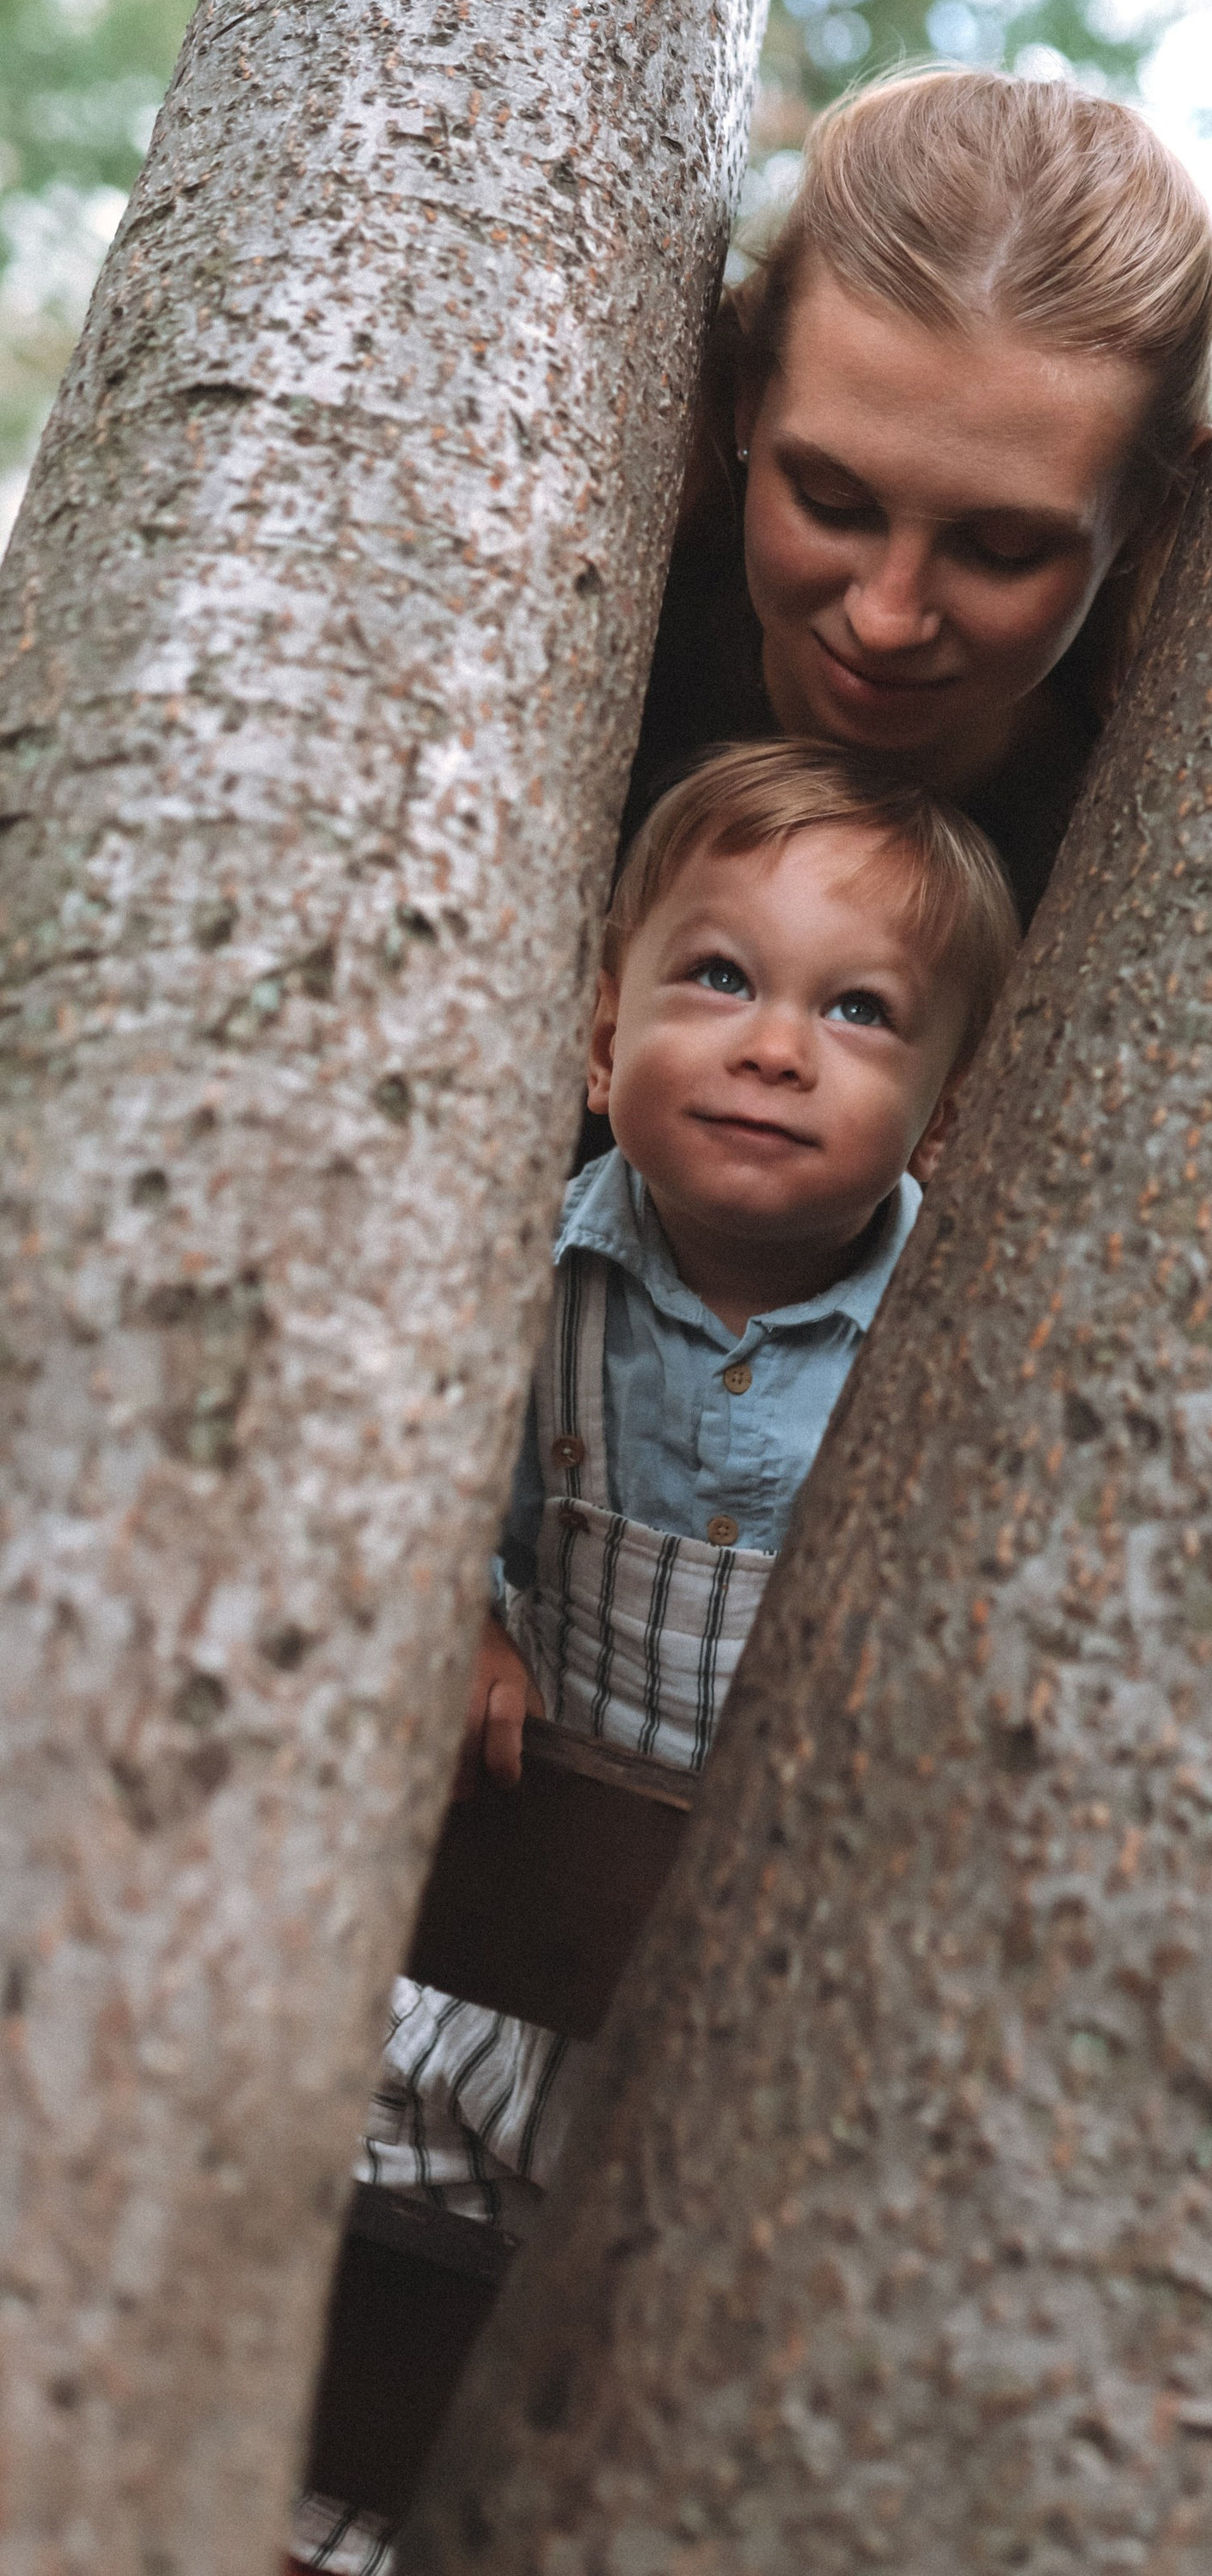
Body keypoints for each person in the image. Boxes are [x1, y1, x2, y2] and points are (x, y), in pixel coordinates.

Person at [289, 739, 1019, 2576]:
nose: (775, 1046)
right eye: (718, 977)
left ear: (946, 1116)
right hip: (496, 1987)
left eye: (857, 1012)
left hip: (766, 2070)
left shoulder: (965, 1342)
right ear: (600, 1037)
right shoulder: (517, 1273)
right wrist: (457, 1607)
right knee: (351, 2331)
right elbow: (411, 1480)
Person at [633, 64, 1212, 922]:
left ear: (1150, 512)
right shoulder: (606, 623)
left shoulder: (1144, 841)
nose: (886, 620)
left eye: (1003, 551)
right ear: (748, 396)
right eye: (831, 502)